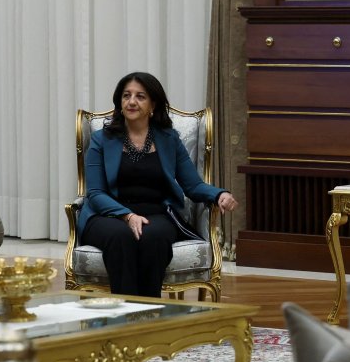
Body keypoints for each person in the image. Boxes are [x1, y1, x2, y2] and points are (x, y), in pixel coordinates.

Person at [77, 72, 238, 297]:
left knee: (154, 238)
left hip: (156, 213)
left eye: (140, 96)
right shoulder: (102, 139)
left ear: (153, 104)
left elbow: (192, 185)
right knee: (120, 237)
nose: (131, 101)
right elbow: (95, 192)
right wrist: (127, 216)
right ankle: (126, 314)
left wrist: (219, 194)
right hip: (107, 214)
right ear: (120, 102)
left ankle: (149, 313)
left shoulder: (168, 139)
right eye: (126, 95)